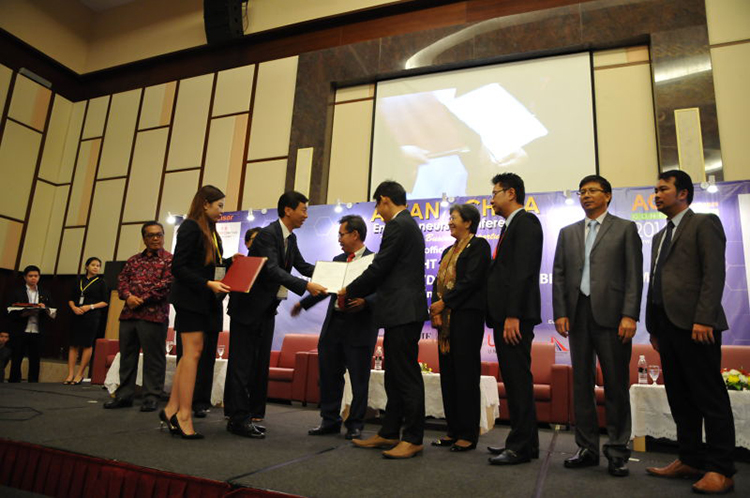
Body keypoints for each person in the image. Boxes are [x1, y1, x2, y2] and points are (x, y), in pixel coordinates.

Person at [644, 170, 736, 494]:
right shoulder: (659, 236)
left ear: (682, 193)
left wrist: (704, 319)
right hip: (667, 328)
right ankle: (690, 459)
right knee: (680, 398)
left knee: (709, 398)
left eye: (663, 189)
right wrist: (653, 327)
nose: (656, 195)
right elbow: (656, 283)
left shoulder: (704, 223)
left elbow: (714, 273)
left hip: (698, 326)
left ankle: (722, 469)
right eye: (655, 190)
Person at [552, 175, 643, 477]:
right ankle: (587, 448)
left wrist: (630, 314)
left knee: (615, 384)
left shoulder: (625, 228)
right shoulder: (568, 232)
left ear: (608, 196)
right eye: (582, 192)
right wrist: (560, 312)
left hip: (614, 317)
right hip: (578, 315)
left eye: (592, 191)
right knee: (581, 384)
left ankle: (617, 451)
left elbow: (633, 275)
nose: (586, 195)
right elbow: (559, 274)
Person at [225, 191, 326, 438]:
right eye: (303, 209)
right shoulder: (267, 235)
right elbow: (271, 269)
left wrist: (332, 272)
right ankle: (237, 419)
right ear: (288, 210)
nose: (306, 215)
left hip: (265, 310)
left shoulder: (290, 238)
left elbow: (302, 266)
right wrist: (305, 286)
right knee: (241, 366)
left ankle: (246, 416)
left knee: (256, 365)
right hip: (247, 309)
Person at [342, 180, 429, 460]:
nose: (378, 213)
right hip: (399, 312)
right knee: (394, 375)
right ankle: (390, 432)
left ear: (385, 200)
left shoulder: (398, 225)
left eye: (378, 206)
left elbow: (380, 267)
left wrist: (349, 289)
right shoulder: (407, 224)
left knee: (406, 375)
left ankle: (413, 438)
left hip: (403, 311)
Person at [292, 214, 378, 441]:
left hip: (360, 326)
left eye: (342, 234)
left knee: (359, 379)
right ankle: (329, 421)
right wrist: (303, 304)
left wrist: (366, 302)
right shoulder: (338, 260)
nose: (339, 239)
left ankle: (355, 425)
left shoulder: (374, 261)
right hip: (334, 325)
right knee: (329, 375)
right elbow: (326, 288)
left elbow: (384, 291)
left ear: (355, 234)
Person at [164, 185, 230, 439]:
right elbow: (178, 267)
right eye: (219, 205)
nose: (222, 211)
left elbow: (209, 267)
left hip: (205, 300)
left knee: (190, 356)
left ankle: (171, 408)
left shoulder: (211, 231)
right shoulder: (190, 227)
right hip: (191, 299)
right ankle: (184, 415)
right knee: (191, 355)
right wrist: (207, 284)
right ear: (205, 204)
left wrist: (229, 265)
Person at [486, 172, 542, 466]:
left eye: (495, 193)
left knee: (518, 380)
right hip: (506, 315)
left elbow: (522, 272)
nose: (491, 200)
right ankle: (526, 443)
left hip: (514, 317)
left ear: (510, 193)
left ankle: (519, 447)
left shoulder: (526, 222)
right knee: (515, 379)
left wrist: (512, 314)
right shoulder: (509, 226)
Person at [429, 203, 491, 452]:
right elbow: (437, 282)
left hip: (467, 319)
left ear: (468, 222)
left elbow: (471, 281)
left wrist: (445, 303)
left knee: (466, 375)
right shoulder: (447, 250)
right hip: (445, 323)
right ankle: (452, 430)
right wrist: (436, 309)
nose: (450, 222)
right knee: (449, 376)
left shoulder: (479, 246)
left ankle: (468, 433)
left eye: (454, 218)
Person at [105, 221, 173, 412]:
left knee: (154, 359)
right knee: (127, 357)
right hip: (129, 315)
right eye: (151, 235)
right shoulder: (133, 260)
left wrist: (141, 299)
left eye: (159, 234)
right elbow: (122, 280)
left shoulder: (170, 260)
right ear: (144, 238)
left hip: (154, 316)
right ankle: (124, 395)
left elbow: (166, 284)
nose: (156, 238)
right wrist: (128, 296)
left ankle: (151, 396)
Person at [6, 265, 55, 383]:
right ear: (25, 277)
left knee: (35, 358)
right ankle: (14, 381)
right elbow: (8, 310)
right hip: (20, 329)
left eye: (36, 276)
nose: (33, 278)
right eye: (30, 276)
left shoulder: (45, 292)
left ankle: (33, 383)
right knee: (17, 357)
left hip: (38, 329)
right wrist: (24, 313)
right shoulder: (17, 292)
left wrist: (44, 307)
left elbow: (53, 309)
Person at [66, 257, 109, 385]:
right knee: (73, 344)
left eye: (98, 266)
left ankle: (80, 373)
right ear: (86, 266)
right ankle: (70, 374)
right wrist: (74, 308)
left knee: (87, 344)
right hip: (76, 314)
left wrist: (90, 307)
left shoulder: (101, 282)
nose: (96, 267)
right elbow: (71, 298)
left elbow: (105, 302)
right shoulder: (78, 280)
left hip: (92, 316)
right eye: (93, 265)